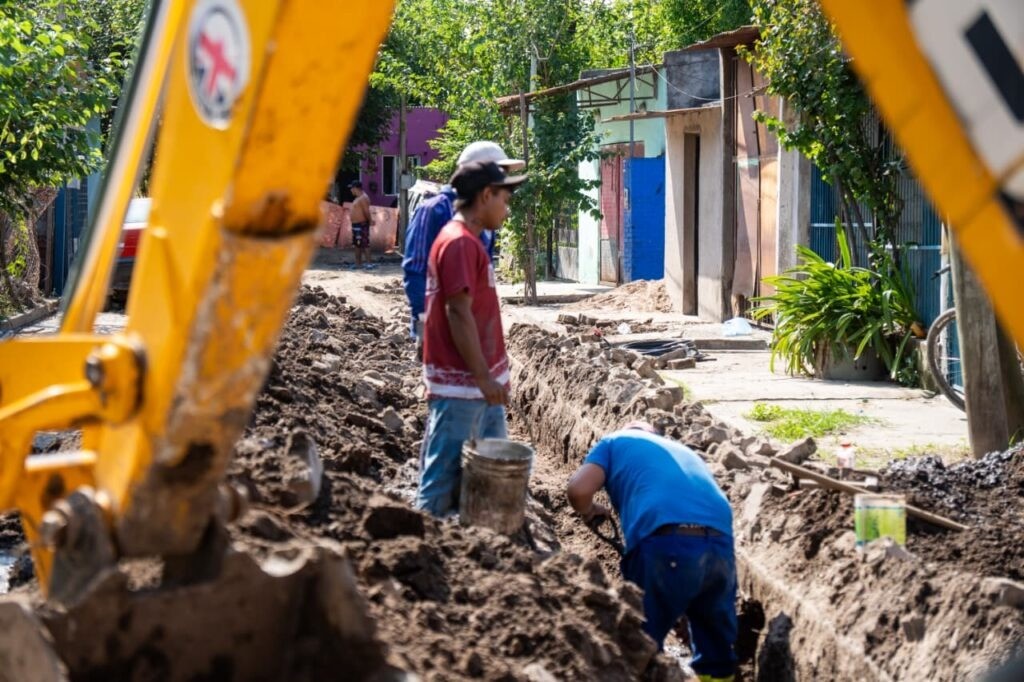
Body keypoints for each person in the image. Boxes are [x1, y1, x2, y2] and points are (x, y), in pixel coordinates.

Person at [566, 421, 738, 682]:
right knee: (716, 656)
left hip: (663, 542)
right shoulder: (682, 452)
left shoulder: (614, 442)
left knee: (640, 645)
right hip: (720, 545)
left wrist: (589, 510)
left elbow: (578, 491)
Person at [414, 159, 526, 516]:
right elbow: (458, 312)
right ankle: (427, 550)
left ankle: (487, 545)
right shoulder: (459, 243)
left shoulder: (469, 241)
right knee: (442, 476)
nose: (506, 211)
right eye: (504, 200)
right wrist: (482, 376)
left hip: (478, 385)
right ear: (485, 195)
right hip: (463, 385)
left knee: (491, 474)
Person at [402, 141, 522, 340]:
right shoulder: (434, 210)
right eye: (501, 174)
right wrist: (426, 327)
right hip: (442, 329)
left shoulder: (486, 216)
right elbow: (415, 270)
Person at [348, 180, 375, 270]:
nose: (351, 190)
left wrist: (370, 221)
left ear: (356, 188)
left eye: (351, 188)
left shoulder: (363, 198)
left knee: (365, 243)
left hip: (361, 224)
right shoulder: (358, 198)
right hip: (356, 225)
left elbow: (366, 212)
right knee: (357, 244)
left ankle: (369, 264)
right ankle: (358, 263)